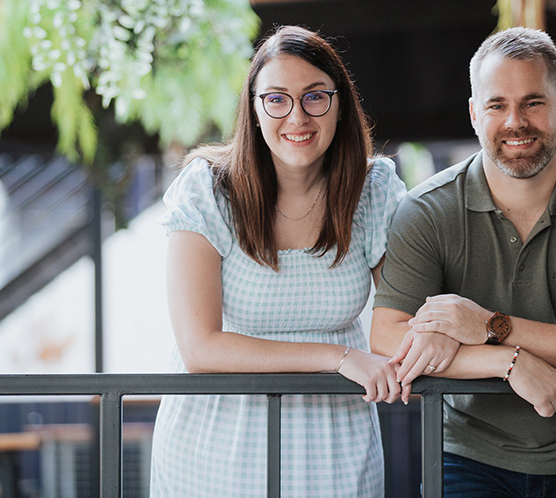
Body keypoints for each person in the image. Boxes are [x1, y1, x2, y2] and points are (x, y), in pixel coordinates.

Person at [371, 26, 556, 497]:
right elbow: (386, 337)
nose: (514, 121)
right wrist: (506, 361)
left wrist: (490, 324)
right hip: (467, 454)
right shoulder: (427, 210)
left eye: (533, 103)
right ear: (474, 114)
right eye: (497, 105)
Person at [150, 25, 406, 497]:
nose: (297, 116)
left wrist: (506, 356)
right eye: (276, 99)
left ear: (340, 103)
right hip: (215, 450)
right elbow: (200, 348)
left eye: (315, 97)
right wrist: (340, 357)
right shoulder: (208, 189)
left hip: (336, 448)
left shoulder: (373, 191)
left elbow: (406, 318)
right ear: (254, 108)